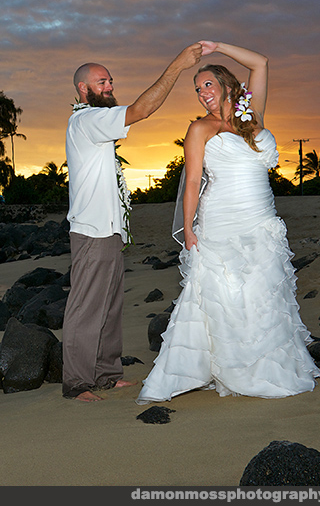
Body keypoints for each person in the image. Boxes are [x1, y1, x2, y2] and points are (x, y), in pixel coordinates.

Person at [137, 41, 320, 404]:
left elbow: (262, 62)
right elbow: (192, 181)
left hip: (261, 220)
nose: (202, 93)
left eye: (207, 84)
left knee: (262, 292)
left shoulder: (250, 118)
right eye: (197, 89)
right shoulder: (199, 129)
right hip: (220, 219)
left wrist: (217, 47)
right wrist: (189, 228)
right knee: (225, 294)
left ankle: (266, 365)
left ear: (226, 85)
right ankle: (229, 366)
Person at [63, 43, 203, 402]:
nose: (109, 86)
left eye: (110, 80)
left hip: (109, 228)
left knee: (110, 303)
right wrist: (178, 65)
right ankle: (77, 382)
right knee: (86, 305)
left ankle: (107, 373)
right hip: (91, 230)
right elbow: (141, 109)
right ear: (84, 89)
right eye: (102, 81)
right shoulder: (86, 120)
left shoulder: (96, 123)